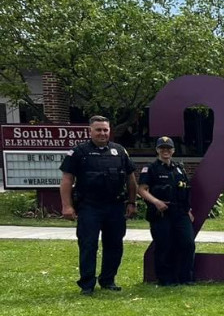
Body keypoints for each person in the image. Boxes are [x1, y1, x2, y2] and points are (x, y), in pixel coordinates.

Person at [58, 115, 138, 294]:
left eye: (105, 130)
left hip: (115, 206)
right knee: (88, 245)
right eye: (98, 130)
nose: (102, 133)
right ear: (90, 131)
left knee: (114, 245)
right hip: (89, 207)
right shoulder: (79, 152)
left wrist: (132, 202)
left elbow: (131, 179)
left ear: (109, 131)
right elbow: (66, 180)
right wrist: (67, 206)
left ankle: (108, 280)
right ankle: (87, 284)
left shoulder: (119, 151)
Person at [137, 136, 195, 286]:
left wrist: (188, 210)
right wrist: (156, 202)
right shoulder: (150, 168)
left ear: (173, 151)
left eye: (168, 148)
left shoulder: (179, 168)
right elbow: (142, 190)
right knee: (164, 245)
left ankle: (186, 278)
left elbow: (185, 190)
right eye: (162, 148)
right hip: (161, 213)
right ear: (157, 150)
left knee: (188, 243)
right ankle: (165, 279)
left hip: (180, 212)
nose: (165, 151)